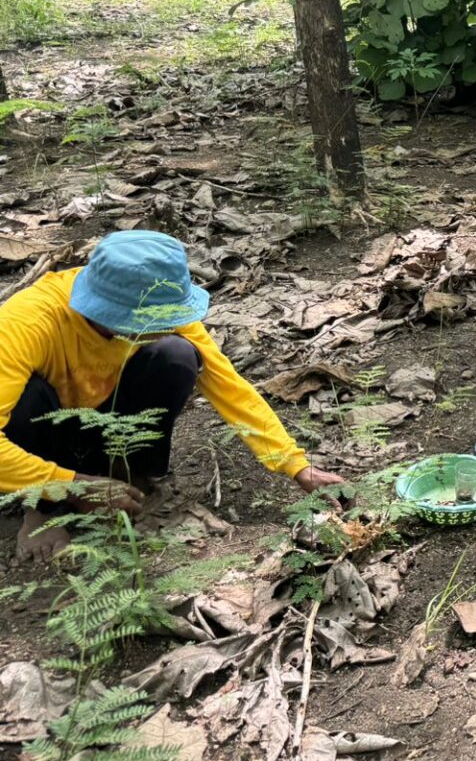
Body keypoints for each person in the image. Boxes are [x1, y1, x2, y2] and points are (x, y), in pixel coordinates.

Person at [1, 231, 347, 562]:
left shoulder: (157, 300)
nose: (172, 324)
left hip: (109, 422)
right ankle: (42, 509)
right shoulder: (25, 324)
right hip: (43, 433)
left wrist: (296, 466)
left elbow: (229, 386)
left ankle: (124, 473)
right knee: (27, 397)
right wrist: (69, 485)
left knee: (178, 356)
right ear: (120, 313)